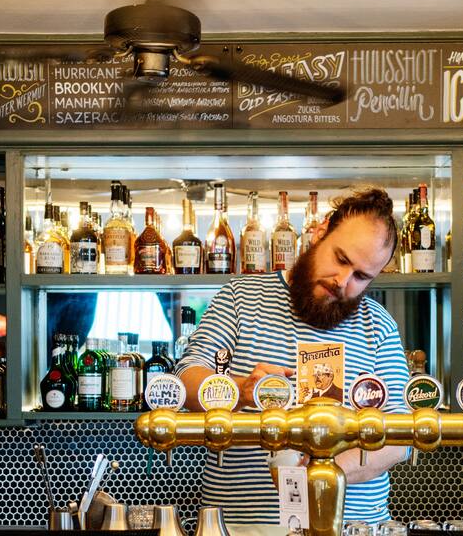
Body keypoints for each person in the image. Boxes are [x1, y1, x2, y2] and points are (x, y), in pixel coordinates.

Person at [174, 187, 411, 527]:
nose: (342, 281)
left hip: (354, 527)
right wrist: (241, 390)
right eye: (341, 259)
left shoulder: (379, 324)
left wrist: (321, 473)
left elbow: (399, 438)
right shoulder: (240, 298)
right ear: (320, 232)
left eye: (361, 276)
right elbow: (188, 378)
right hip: (242, 527)